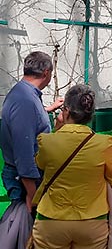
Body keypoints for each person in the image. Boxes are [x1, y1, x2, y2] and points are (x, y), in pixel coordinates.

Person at [31, 84, 112, 249]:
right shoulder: (103, 144)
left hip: (51, 221)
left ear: (66, 110)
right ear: (90, 114)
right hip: (93, 223)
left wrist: (57, 130)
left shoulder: (47, 141)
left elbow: (40, 164)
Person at [0, 51, 63, 213]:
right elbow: (24, 150)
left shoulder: (25, 93)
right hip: (26, 181)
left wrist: (48, 109)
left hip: (26, 176)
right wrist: (32, 193)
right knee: (25, 233)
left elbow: (29, 121)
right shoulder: (25, 101)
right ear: (46, 73)